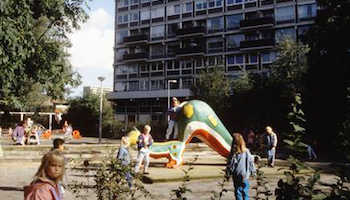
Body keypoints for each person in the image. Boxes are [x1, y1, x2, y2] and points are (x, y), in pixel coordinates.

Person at [226, 133, 256, 200]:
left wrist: (228, 174)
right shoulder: (246, 151)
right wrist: (253, 172)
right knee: (245, 192)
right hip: (245, 174)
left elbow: (231, 164)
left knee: (238, 191)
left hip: (236, 174)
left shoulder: (233, 153)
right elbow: (251, 162)